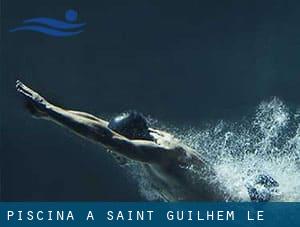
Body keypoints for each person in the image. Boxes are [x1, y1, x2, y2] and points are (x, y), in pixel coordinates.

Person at [15, 80, 277, 201]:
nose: (111, 151)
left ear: (132, 140)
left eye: (115, 146)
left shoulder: (161, 154)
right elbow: (99, 126)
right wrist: (51, 113)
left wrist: (48, 109)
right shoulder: (146, 139)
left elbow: (105, 137)